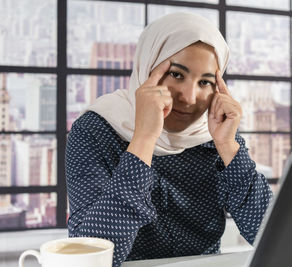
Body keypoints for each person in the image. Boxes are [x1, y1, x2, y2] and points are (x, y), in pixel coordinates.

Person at [66, 12, 273, 267]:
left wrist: (229, 148)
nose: (189, 97)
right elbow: (89, 257)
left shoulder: (217, 135)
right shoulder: (94, 131)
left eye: (205, 82)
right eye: (176, 74)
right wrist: (144, 138)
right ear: (147, 67)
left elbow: (273, 236)